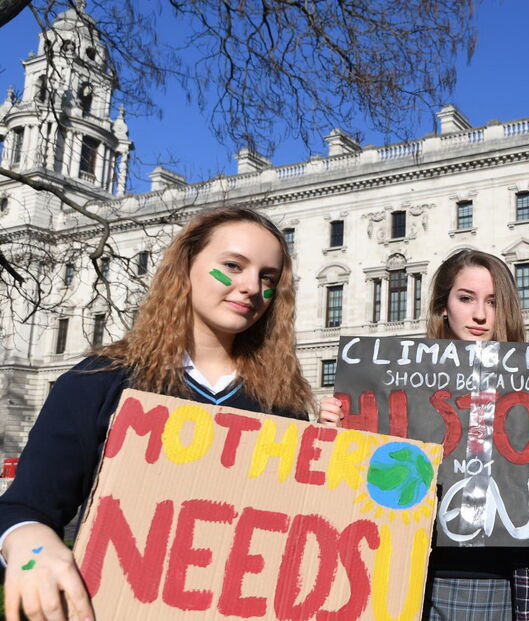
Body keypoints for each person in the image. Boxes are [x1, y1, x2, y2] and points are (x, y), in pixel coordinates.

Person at [0, 206, 343, 621]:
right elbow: (25, 507)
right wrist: (30, 544)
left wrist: (334, 458)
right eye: (233, 265)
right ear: (186, 267)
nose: (251, 287)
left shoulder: (284, 406)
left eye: (268, 277)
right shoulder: (99, 380)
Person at [422, 248, 527, 621]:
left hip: (496, 576)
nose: (480, 315)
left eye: (493, 302)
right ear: (443, 306)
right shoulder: (401, 381)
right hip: (417, 571)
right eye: (466, 299)